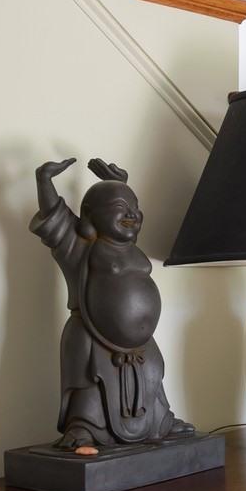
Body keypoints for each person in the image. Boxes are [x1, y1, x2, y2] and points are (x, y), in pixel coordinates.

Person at [31, 157, 193, 448]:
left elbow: (123, 214)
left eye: (135, 208)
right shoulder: (78, 247)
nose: (133, 215)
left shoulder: (130, 248)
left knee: (152, 377)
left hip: (140, 343)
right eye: (121, 209)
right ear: (91, 216)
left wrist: (121, 187)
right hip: (94, 337)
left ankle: (160, 422)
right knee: (90, 387)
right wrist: (44, 182)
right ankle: (84, 430)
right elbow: (54, 219)